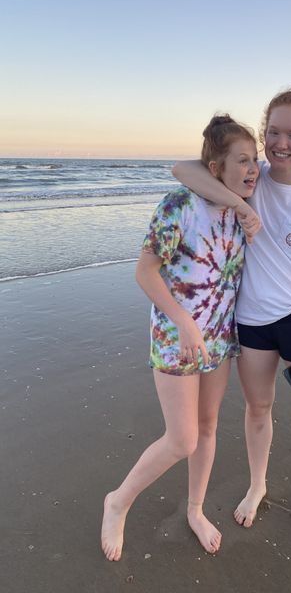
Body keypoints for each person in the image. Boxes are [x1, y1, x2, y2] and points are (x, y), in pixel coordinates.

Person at [173, 82, 291, 543]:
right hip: (251, 321)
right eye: (273, 132)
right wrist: (240, 205)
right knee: (257, 409)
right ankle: (257, 485)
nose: (280, 143)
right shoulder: (251, 178)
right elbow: (182, 169)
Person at [101, 115, 259, 560]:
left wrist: (242, 202)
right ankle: (118, 501)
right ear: (216, 167)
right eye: (242, 160)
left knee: (208, 428)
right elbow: (145, 272)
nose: (253, 169)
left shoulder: (240, 208)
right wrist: (183, 320)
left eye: (255, 159)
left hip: (219, 337)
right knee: (182, 439)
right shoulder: (179, 205)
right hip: (177, 337)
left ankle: (195, 510)